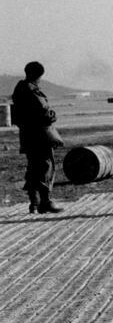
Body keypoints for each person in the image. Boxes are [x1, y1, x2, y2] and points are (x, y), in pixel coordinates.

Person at [11, 61, 65, 213]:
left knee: (33, 167)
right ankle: (45, 202)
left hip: (27, 135)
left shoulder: (19, 89)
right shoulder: (32, 90)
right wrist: (52, 115)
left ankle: (34, 202)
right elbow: (44, 113)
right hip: (39, 136)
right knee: (45, 166)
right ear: (39, 75)